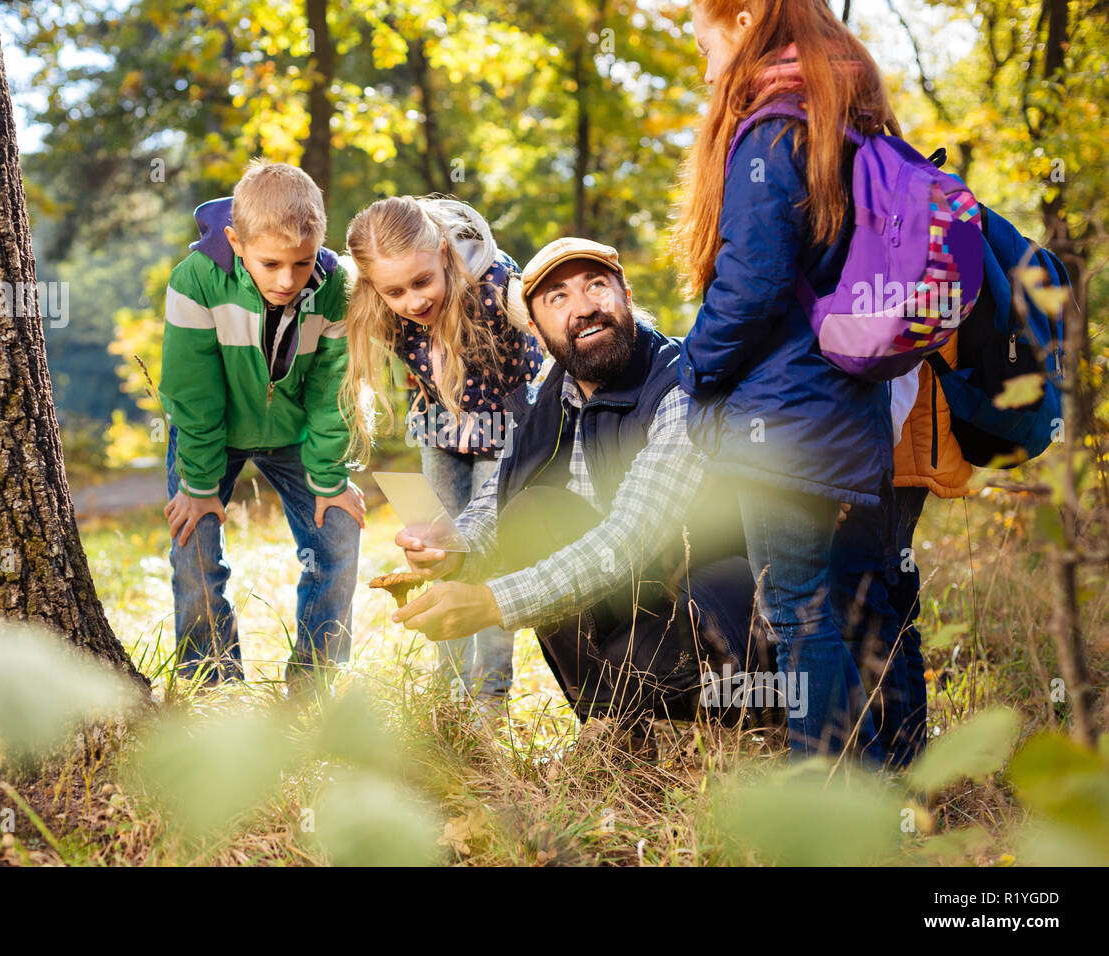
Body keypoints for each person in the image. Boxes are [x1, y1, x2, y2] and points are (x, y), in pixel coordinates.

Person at [390, 237, 763, 744]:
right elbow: (499, 494)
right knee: (533, 510)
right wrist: (453, 548)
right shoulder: (552, 393)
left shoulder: (678, 386)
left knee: (698, 596)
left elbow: (632, 539)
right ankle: (618, 726)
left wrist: (493, 602)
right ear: (538, 332)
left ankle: (706, 731)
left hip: (710, 612)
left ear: (625, 295)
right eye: (557, 298)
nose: (584, 307)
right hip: (632, 605)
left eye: (596, 286)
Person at [671, 0, 902, 760]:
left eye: (703, 38)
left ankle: (832, 790)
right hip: (848, 410)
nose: (704, 63)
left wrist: (693, 366)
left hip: (785, 415)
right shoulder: (851, 120)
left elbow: (753, 281)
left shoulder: (774, 128)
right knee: (843, 602)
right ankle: (881, 774)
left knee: (797, 607)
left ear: (740, 22)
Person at [159, 160, 363, 699]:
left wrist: (328, 474)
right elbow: (194, 392)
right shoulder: (196, 279)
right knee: (196, 553)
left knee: (338, 532)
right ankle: (213, 684)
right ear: (236, 240)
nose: (286, 280)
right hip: (213, 434)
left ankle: (315, 686)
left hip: (297, 435)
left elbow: (333, 388)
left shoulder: (337, 285)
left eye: (301, 263)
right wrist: (199, 487)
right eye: (270, 263)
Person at [342, 196, 542, 704]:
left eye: (422, 282)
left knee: (490, 553)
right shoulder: (376, 304)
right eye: (395, 291)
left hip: (507, 432)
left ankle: (489, 698)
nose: (412, 301)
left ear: (445, 257)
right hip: (439, 433)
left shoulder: (497, 287)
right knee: (439, 554)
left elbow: (546, 328)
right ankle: (448, 695)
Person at [831, 336, 972, 767]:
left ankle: (896, 765)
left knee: (870, 608)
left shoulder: (897, 273)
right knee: (889, 604)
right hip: (897, 444)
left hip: (886, 447)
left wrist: (851, 462)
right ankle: (909, 763)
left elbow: (898, 358)